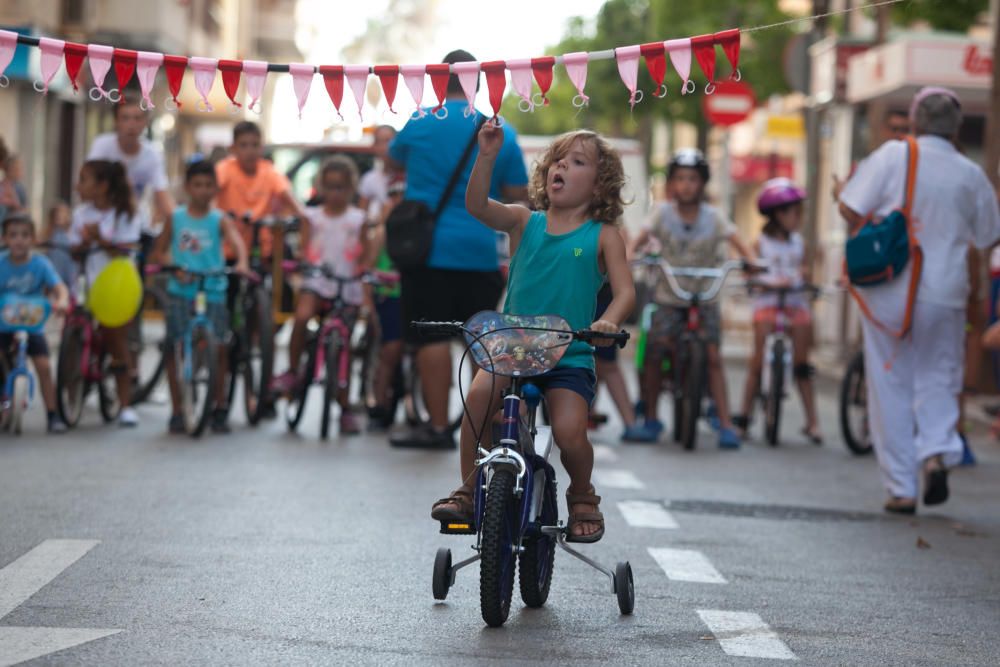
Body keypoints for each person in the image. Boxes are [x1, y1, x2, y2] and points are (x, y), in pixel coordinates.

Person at [430, 127, 635, 542]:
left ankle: (582, 495)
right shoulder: (525, 221)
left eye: (577, 162)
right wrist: (486, 157)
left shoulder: (604, 234)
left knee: (569, 430)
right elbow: (476, 206)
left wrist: (608, 322)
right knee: (477, 397)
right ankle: (468, 489)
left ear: (599, 185)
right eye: (558, 158)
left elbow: (626, 291)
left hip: (570, 353)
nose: (562, 165)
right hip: (512, 347)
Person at [839, 87, 1000, 514]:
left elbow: (852, 206)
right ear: (957, 128)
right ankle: (937, 452)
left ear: (915, 122)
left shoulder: (895, 155)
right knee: (940, 376)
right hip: (947, 292)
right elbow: (987, 237)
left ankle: (902, 487)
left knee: (890, 381)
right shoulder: (972, 174)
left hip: (894, 288)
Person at [386, 49, 529, 449]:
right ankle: (483, 425)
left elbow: (392, 158)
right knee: (481, 340)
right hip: (479, 250)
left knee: (431, 339)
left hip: (426, 252)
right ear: (478, 83)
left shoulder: (418, 122)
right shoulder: (501, 129)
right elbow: (518, 194)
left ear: (436, 81)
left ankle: (436, 426)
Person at [632, 149, 754, 449]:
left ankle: (726, 424)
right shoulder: (661, 213)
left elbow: (739, 243)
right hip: (669, 296)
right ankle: (650, 417)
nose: (687, 185)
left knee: (712, 356)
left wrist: (753, 262)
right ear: (672, 183)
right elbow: (637, 242)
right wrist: (628, 256)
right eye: (681, 179)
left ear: (703, 183)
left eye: (693, 179)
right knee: (656, 351)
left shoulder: (715, 217)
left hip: (705, 296)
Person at [272, 156, 371, 435]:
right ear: (321, 188)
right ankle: (292, 370)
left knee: (344, 349)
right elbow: (304, 248)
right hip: (317, 281)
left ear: (351, 189)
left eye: (341, 188)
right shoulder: (311, 217)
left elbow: (364, 252)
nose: (335, 193)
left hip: (346, 285)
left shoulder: (358, 220)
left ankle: (344, 406)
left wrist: (365, 270)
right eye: (330, 187)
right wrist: (303, 261)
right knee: (302, 317)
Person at [215, 120, 307, 417]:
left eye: (255, 145)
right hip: (228, 254)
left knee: (264, 313)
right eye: (243, 145)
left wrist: (299, 217)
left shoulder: (270, 174)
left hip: (262, 253)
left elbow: (293, 203)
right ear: (233, 148)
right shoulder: (225, 171)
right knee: (225, 312)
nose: (250, 151)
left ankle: (262, 378)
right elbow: (208, 195)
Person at [150, 161, 250, 434]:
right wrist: (175, 267)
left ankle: (219, 406)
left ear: (215, 189)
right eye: (198, 185)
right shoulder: (176, 218)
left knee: (218, 347)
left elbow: (236, 241)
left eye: (209, 185)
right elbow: (161, 251)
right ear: (187, 187)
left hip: (213, 290)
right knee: (174, 347)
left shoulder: (219, 219)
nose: (203, 191)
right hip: (181, 292)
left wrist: (241, 262)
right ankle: (177, 410)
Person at [734, 179, 822, 443]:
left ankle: (813, 422)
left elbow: (806, 272)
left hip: (795, 304)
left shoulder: (800, 244)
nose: (798, 218)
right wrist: (756, 277)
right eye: (793, 212)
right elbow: (749, 271)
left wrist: (805, 278)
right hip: (768, 304)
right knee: (757, 361)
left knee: (803, 364)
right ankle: (744, 416)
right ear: (776, 214)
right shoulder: (759, 244)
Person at [68, 160, 143, 427]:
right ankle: (72, 390)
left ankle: (125, 403)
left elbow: (124, 250)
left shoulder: (125, 215)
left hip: (116, 286)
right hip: (89, 282)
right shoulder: (80, 214)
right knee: (74, 327)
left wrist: (101, 240)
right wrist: (83, 244)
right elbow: (73, 249)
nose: (79, 186)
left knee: (116, 341)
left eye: (84, 180)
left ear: (102, 186)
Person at [0, 214, 70, 433]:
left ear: (34, 239)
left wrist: (61, 300)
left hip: (32, 325)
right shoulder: (1, 263)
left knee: (44, 366)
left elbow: (59, 287)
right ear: (4, 239)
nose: (19, 240)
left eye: (24, 235)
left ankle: (52, 414)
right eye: (13, 235)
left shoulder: (41, 264)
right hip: (4, 324)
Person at [86, 94, 175, 234]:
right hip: (98, 222)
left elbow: (162, 196)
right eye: (125, 118)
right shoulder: (102, 145)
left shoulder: (153, 154)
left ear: (145, 122)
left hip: (134, 224)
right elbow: (88, 185)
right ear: (116, 121)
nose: (131, 124)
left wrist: (181, 224)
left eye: (137, 118)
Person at [367, 176, 406, 430]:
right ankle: (379, 400)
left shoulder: (424, 231)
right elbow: (367, 270)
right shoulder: (382, 233)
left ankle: (413, 400)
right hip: (388, 297)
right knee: (390, 349)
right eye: (393, 196)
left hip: (410, 297)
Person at [43, 202, 76, 287]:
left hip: (68, 269)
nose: (60, 218)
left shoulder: (71, 233)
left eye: (63, 215)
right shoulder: (50, 234)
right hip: (55, 269)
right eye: (57, 215)